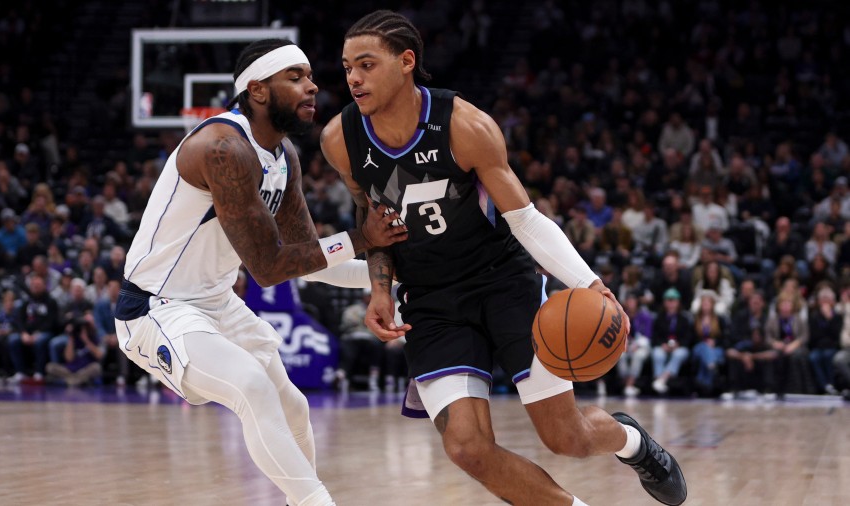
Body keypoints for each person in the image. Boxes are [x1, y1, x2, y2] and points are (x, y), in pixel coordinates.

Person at [319, 11, 686, 506]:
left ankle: (631, 441)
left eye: (366, 64)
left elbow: (527, 220)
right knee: (467, 449)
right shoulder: (340, 140)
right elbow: (374, 225)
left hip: (502, 282)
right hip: (429, 300)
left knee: (567, 438)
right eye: (346, 68)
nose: (353, 79)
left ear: (407, 62)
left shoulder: (465, 125)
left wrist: (591, 283)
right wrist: (381, 290)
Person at [113, 39, 406, 506]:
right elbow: (268, 268)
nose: (312, 87)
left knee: (294, 406)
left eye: (310, 76)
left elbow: (310, 261)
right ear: (258, 89)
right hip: (155, 308)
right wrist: (360, 237)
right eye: (295, 77)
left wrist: (395, 282)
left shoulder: (283, 155)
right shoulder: (222, 148)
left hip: (215, 302)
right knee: (251, 385)